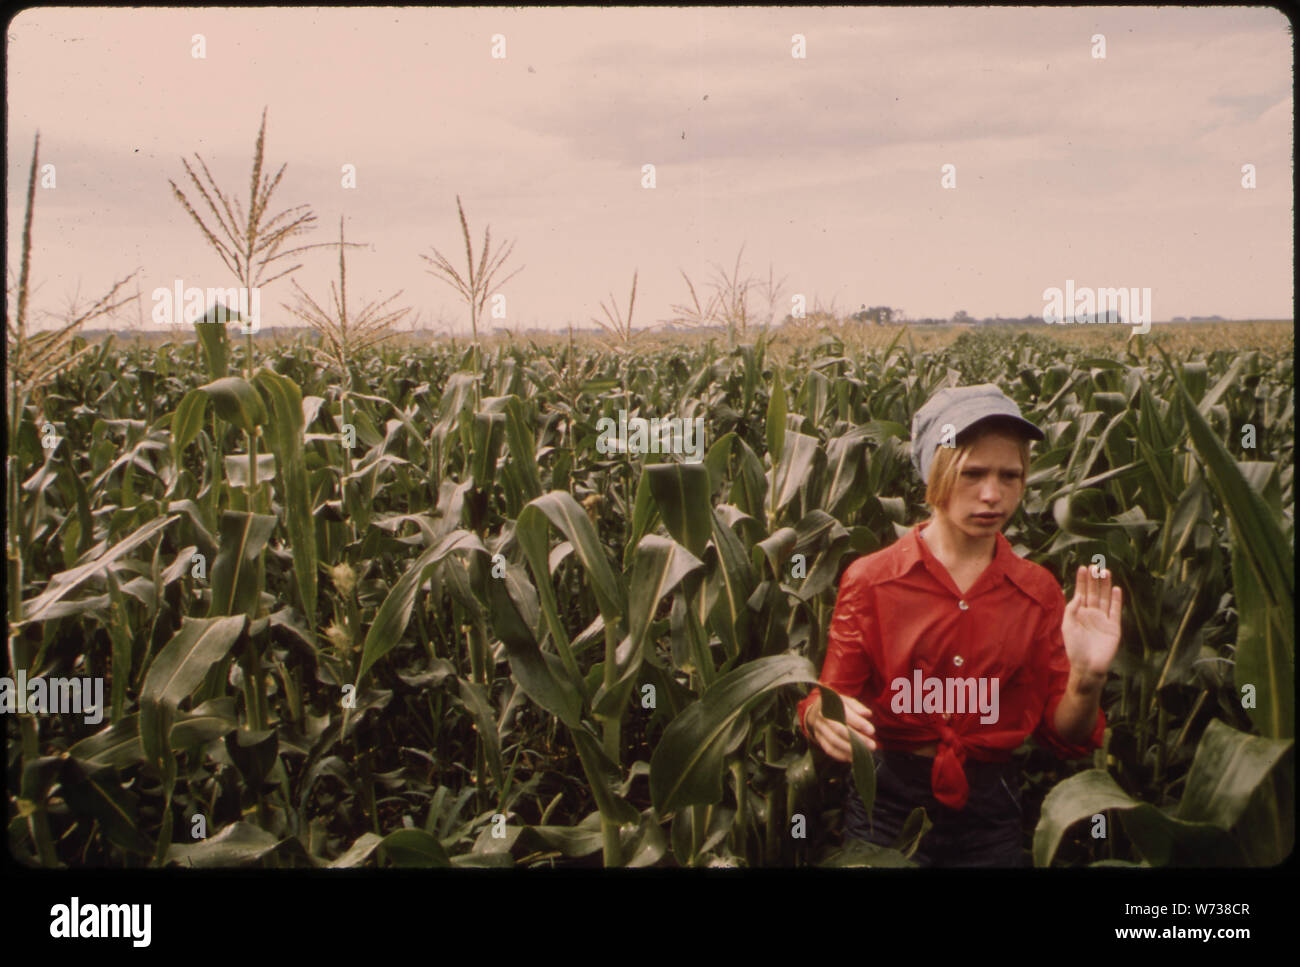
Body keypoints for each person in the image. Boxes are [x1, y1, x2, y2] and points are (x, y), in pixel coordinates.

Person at [797, 383, 1123, 867]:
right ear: (937, 472)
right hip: (886, 806)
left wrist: (1088, 678)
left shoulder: (1038, 592)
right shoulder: (871, 581)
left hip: (991, 809)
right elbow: (829, 697)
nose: (993, 495)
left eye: (1009, 476)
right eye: (972, 474)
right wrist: (818, 716)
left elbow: (1067, 737)